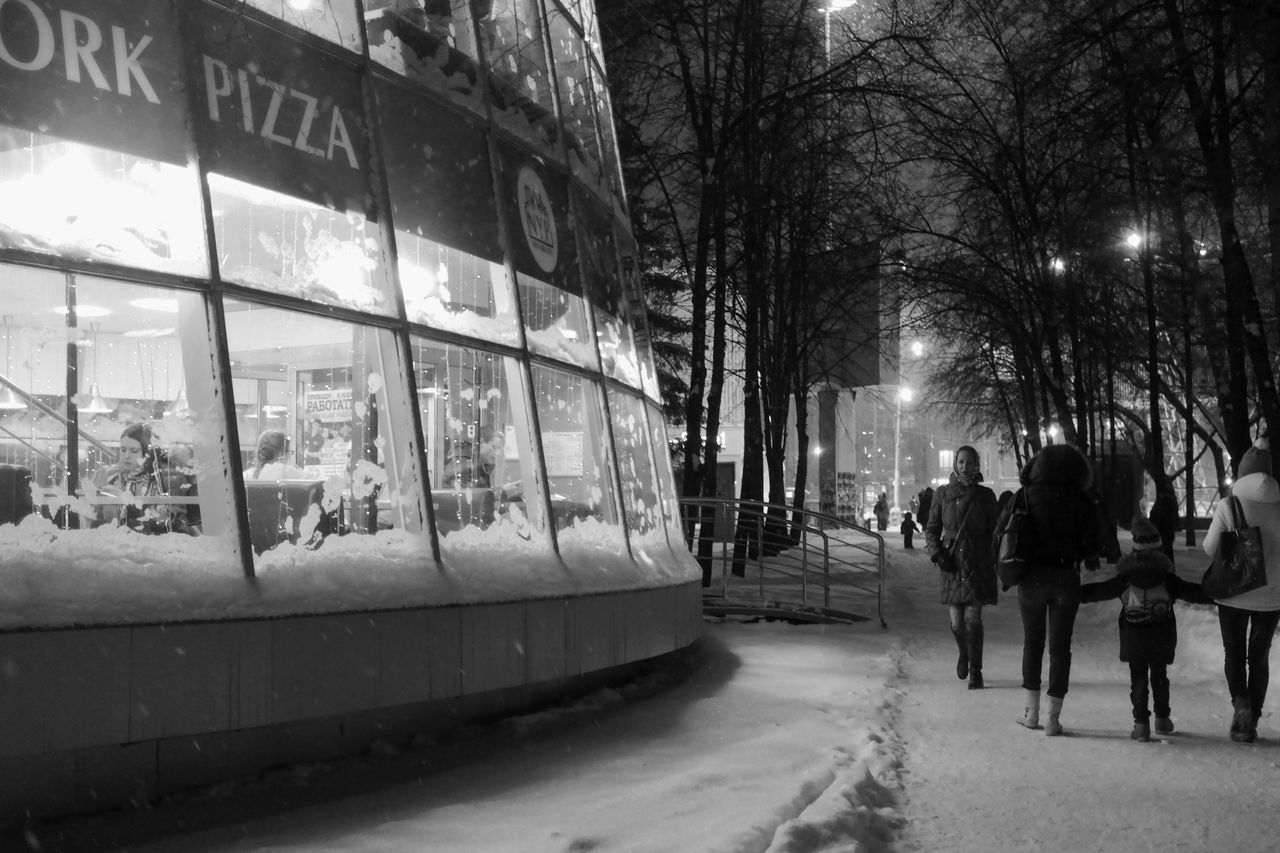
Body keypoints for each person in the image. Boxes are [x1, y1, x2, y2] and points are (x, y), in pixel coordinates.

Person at [1002, 443, 1102, 735]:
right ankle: (1053, 718)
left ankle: (1030, 713)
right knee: (1061, 648)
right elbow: (1094, 541)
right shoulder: (1082, 499)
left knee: (1033, 643)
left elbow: (1002, 532)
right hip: (1066, 578)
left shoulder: (1025, 496)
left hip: (1031, 578)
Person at [1081, 514, 1208, 741]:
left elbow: (1100, 591)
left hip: (1134, 636)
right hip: (1161, 635)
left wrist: (1076, 594)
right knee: (1160, 677)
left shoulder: (1126, 578)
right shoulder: (1166, 578)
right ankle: (1162, 719)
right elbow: (1193, 592)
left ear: (1135, 549)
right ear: (1159, 549)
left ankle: (1141, 724)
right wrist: (1217, 594)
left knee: (1138, 678)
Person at [1202, 436, 1280, 743]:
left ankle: (1241, 704)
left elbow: (1210, 549)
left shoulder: (1229, 505)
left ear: (1243, 472)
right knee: (1258, 656)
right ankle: (1253, 721)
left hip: (1234, 593)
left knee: (1233, 652)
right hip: (1273, 597)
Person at [925, 445, 1000, 690]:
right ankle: (964, 654)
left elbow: (995, 532)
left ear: (977, 465)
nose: (964, 467)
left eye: (969, 462)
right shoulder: (943, 494)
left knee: (973, 619)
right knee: (957, 623)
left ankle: (976, 672)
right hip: (953, 565)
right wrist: (937, 554)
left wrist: (995, 558)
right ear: (954, 465)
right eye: (960, 462)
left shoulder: (986, 496)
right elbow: (932, 529)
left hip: (977, 564)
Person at [92, 422, 195, 534]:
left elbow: (167, 522)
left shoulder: (166, 478)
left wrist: (125, 501)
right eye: (123, 450)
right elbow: (100, 521)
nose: (126, 456)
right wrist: (102, 492)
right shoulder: (115, 478)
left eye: (134, 451)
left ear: (147, 453)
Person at [244, 429, 309, 481]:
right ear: (281, 454)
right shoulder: (287, 472)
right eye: (289, 452)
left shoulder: (246, 475)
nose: (289, 456)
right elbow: (313, 484)